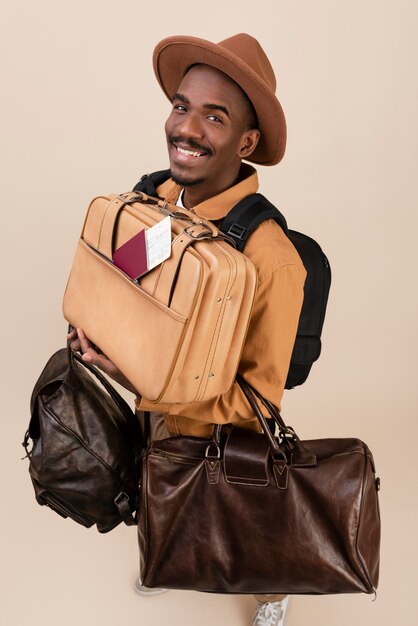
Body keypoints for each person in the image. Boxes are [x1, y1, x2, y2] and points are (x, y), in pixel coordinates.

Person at [68, 33, 306, 626]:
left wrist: (143, 379)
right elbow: (129, 279)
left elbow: (259, 402)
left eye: (215, 116)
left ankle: (274, 588)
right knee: (159, 498)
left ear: (246, 142)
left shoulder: (273, 261)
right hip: (157, 414)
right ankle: (166, 556)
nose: (188, 129)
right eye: (182, 106)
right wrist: (101, 330)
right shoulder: (163, 201)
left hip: (222, 439)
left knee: (245, 521)